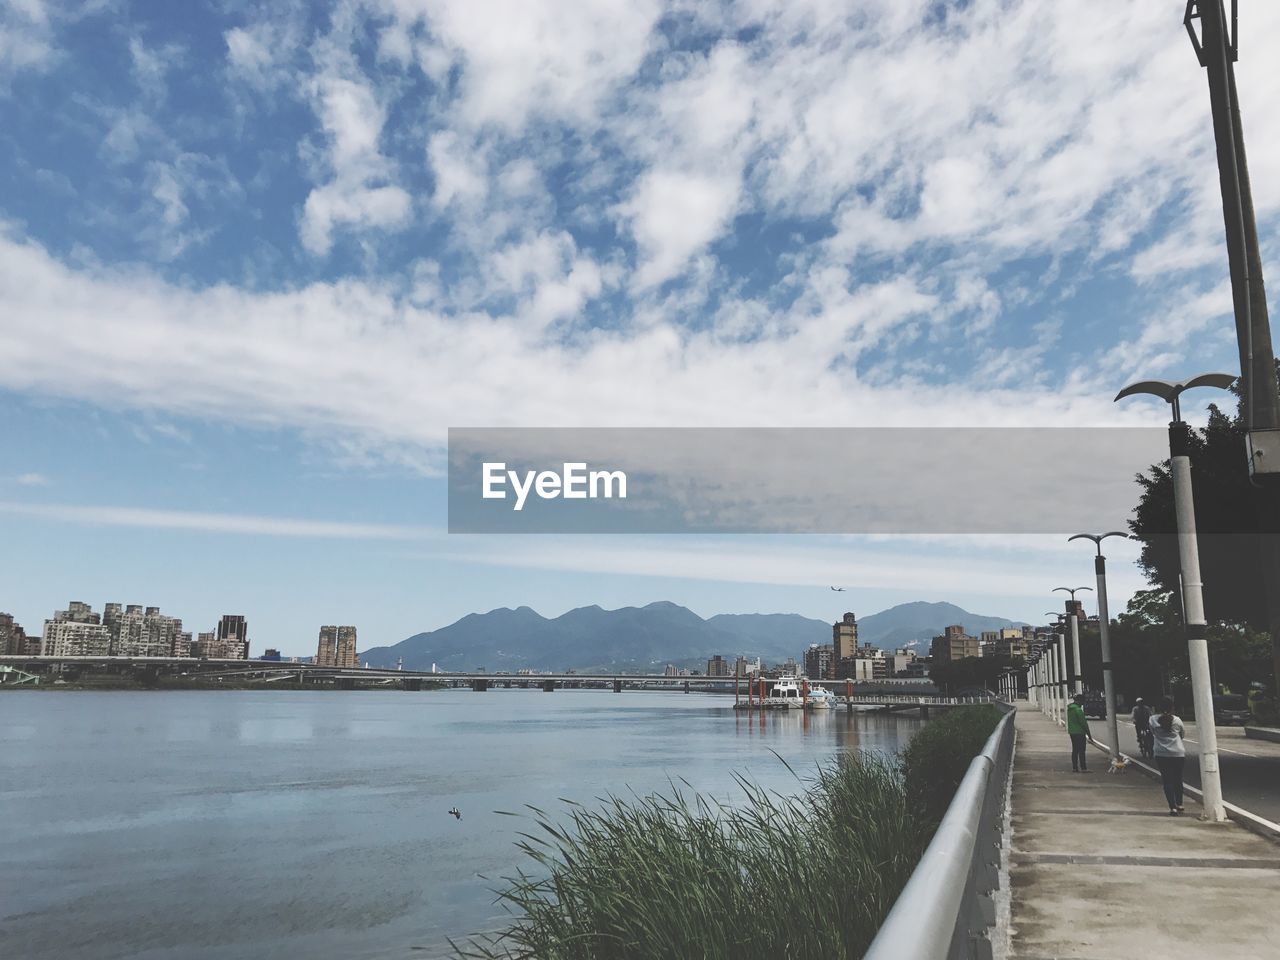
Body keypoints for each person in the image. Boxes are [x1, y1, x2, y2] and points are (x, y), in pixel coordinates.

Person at [1150, 696, 1186, 815]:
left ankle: (1172, 807)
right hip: (1178, 753)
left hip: (1161, 754)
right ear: (1172, 707)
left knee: (1167, 780)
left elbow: (1153, 732)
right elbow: (1182, 735)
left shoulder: (1153, 720)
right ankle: (1180, 803)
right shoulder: (1177, 720)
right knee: (1178, 779)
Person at [1067, 693, 1093, 772]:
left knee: (1075, 750)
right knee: (1081, 750)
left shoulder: (1070, 709)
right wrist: (1089, 735)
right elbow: (1083, 723)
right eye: (1082, 701)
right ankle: (1083, 768)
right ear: (1079, 701)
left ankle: (1074, 767)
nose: (1083, 703)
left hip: (1072, 732)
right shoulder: (1078, 710)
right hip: (1080, 732)